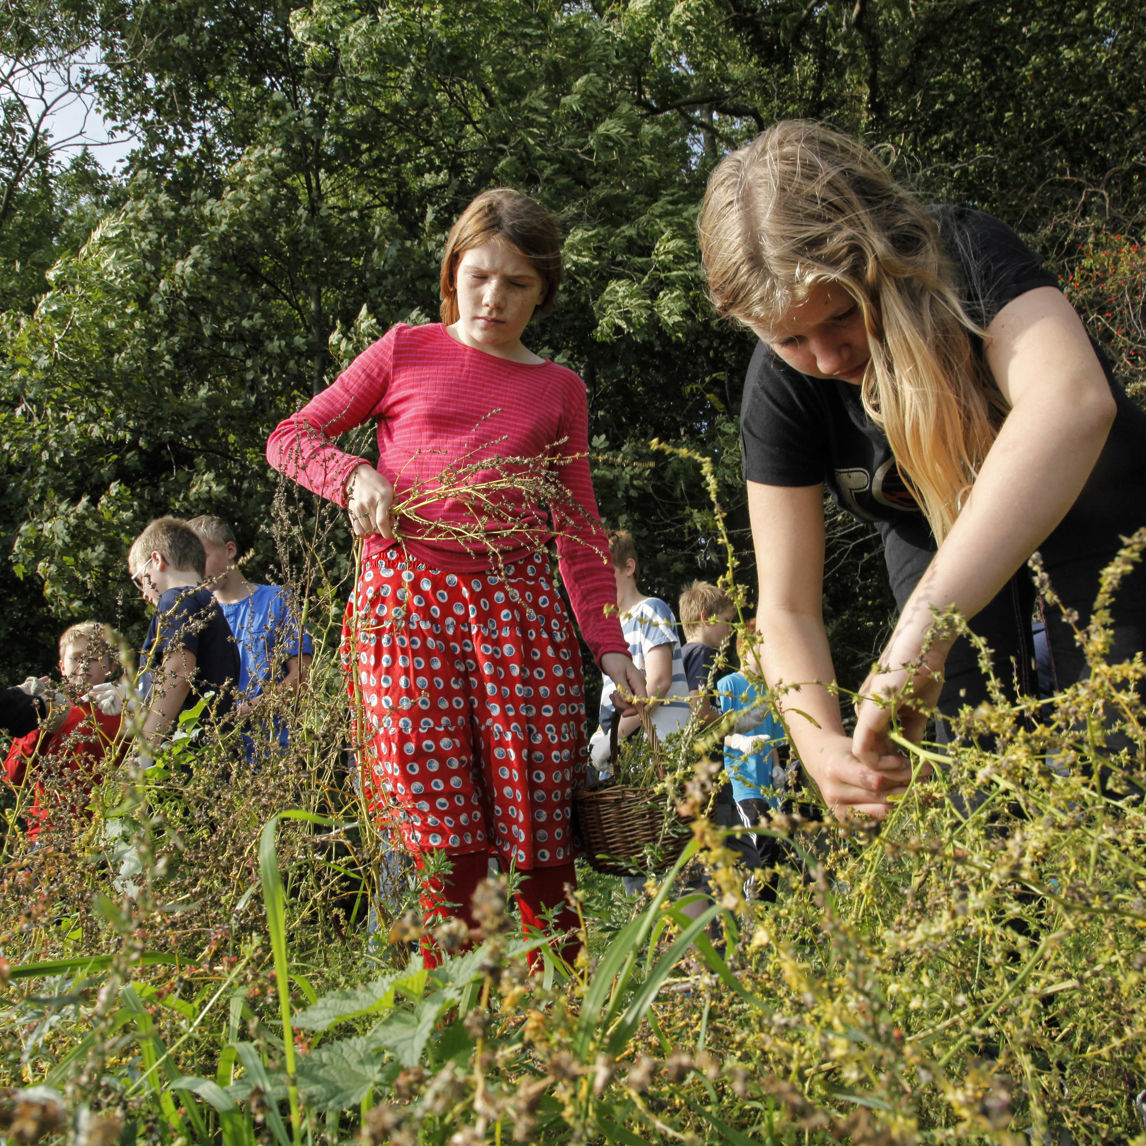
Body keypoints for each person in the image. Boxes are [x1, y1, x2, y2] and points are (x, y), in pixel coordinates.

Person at [698, 119, 1146, 819]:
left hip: (1096, 505)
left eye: (844, 314)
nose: (824, 358)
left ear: (884, 257)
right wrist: (823, 754)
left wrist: (920, 634)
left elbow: (1073, 402)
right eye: (789, 338)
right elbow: (784, 608)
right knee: (972, 773)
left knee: (1125, 739)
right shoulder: (780, 389)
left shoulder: (964, 251)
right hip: (926, 537)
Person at [265, 188, 644, 965]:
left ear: (544, 293)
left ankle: (555, 1017)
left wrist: (608, 645)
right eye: (478, 277)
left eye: (516, 284)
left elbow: (575, 525)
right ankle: (454, 1020)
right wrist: (352, 476)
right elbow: (290, 437)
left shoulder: (558, 388)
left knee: (538, 812)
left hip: (519, 614)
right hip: (407, 607)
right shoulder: (406, 349)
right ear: (452, 273)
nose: (493, 299)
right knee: (439, 823)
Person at [187, 515, 313, 762]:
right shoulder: (199, 618)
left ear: (230, 550)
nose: (197, 570)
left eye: (201, 558)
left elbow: (303, 676)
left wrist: (254, 707)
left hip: (277, 755)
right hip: (221, 761)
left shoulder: (277, 601)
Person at [128, 517, 240, 746]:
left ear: (157, 560)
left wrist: (146, 747)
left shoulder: (175, 600)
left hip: (184, 761)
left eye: (140, 579)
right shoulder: (209, 606)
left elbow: (179, 670)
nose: (143, 593)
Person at [4, 623, 122, 840]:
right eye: (76, 658)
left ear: (111, 667)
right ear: (61, 666)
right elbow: (13, 777)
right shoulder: (44, 709)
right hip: (50, 836)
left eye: (94, 658)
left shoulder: (123, 713)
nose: (84, 665)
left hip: (107, 837)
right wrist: (45, 729)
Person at [592, 529, 691, 757]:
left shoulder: (650, 610)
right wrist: (599, 735)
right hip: (624, 749)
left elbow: (659, 682)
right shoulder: (611, 632)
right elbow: (609, 698)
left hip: (660, 747)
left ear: (629, 567)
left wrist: (613, 739)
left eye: (605, 574)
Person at [716, 621, 788, 893]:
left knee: (773, 852)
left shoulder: (767, 693)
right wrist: (739, 740)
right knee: (758, 844)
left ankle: (766, 917)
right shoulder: (728, 685)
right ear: (745, 649)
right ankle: (748, 915)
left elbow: (774, 739)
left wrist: (778, 769)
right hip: (741, 784)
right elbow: (712, 732)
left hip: (767, 787)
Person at [678, 580, 736, 701]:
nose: (731, 628)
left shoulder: (683, 653)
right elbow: (699, 711)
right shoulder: (702, 653)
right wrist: (735, 719)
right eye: (727, 620)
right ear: (706, 618)